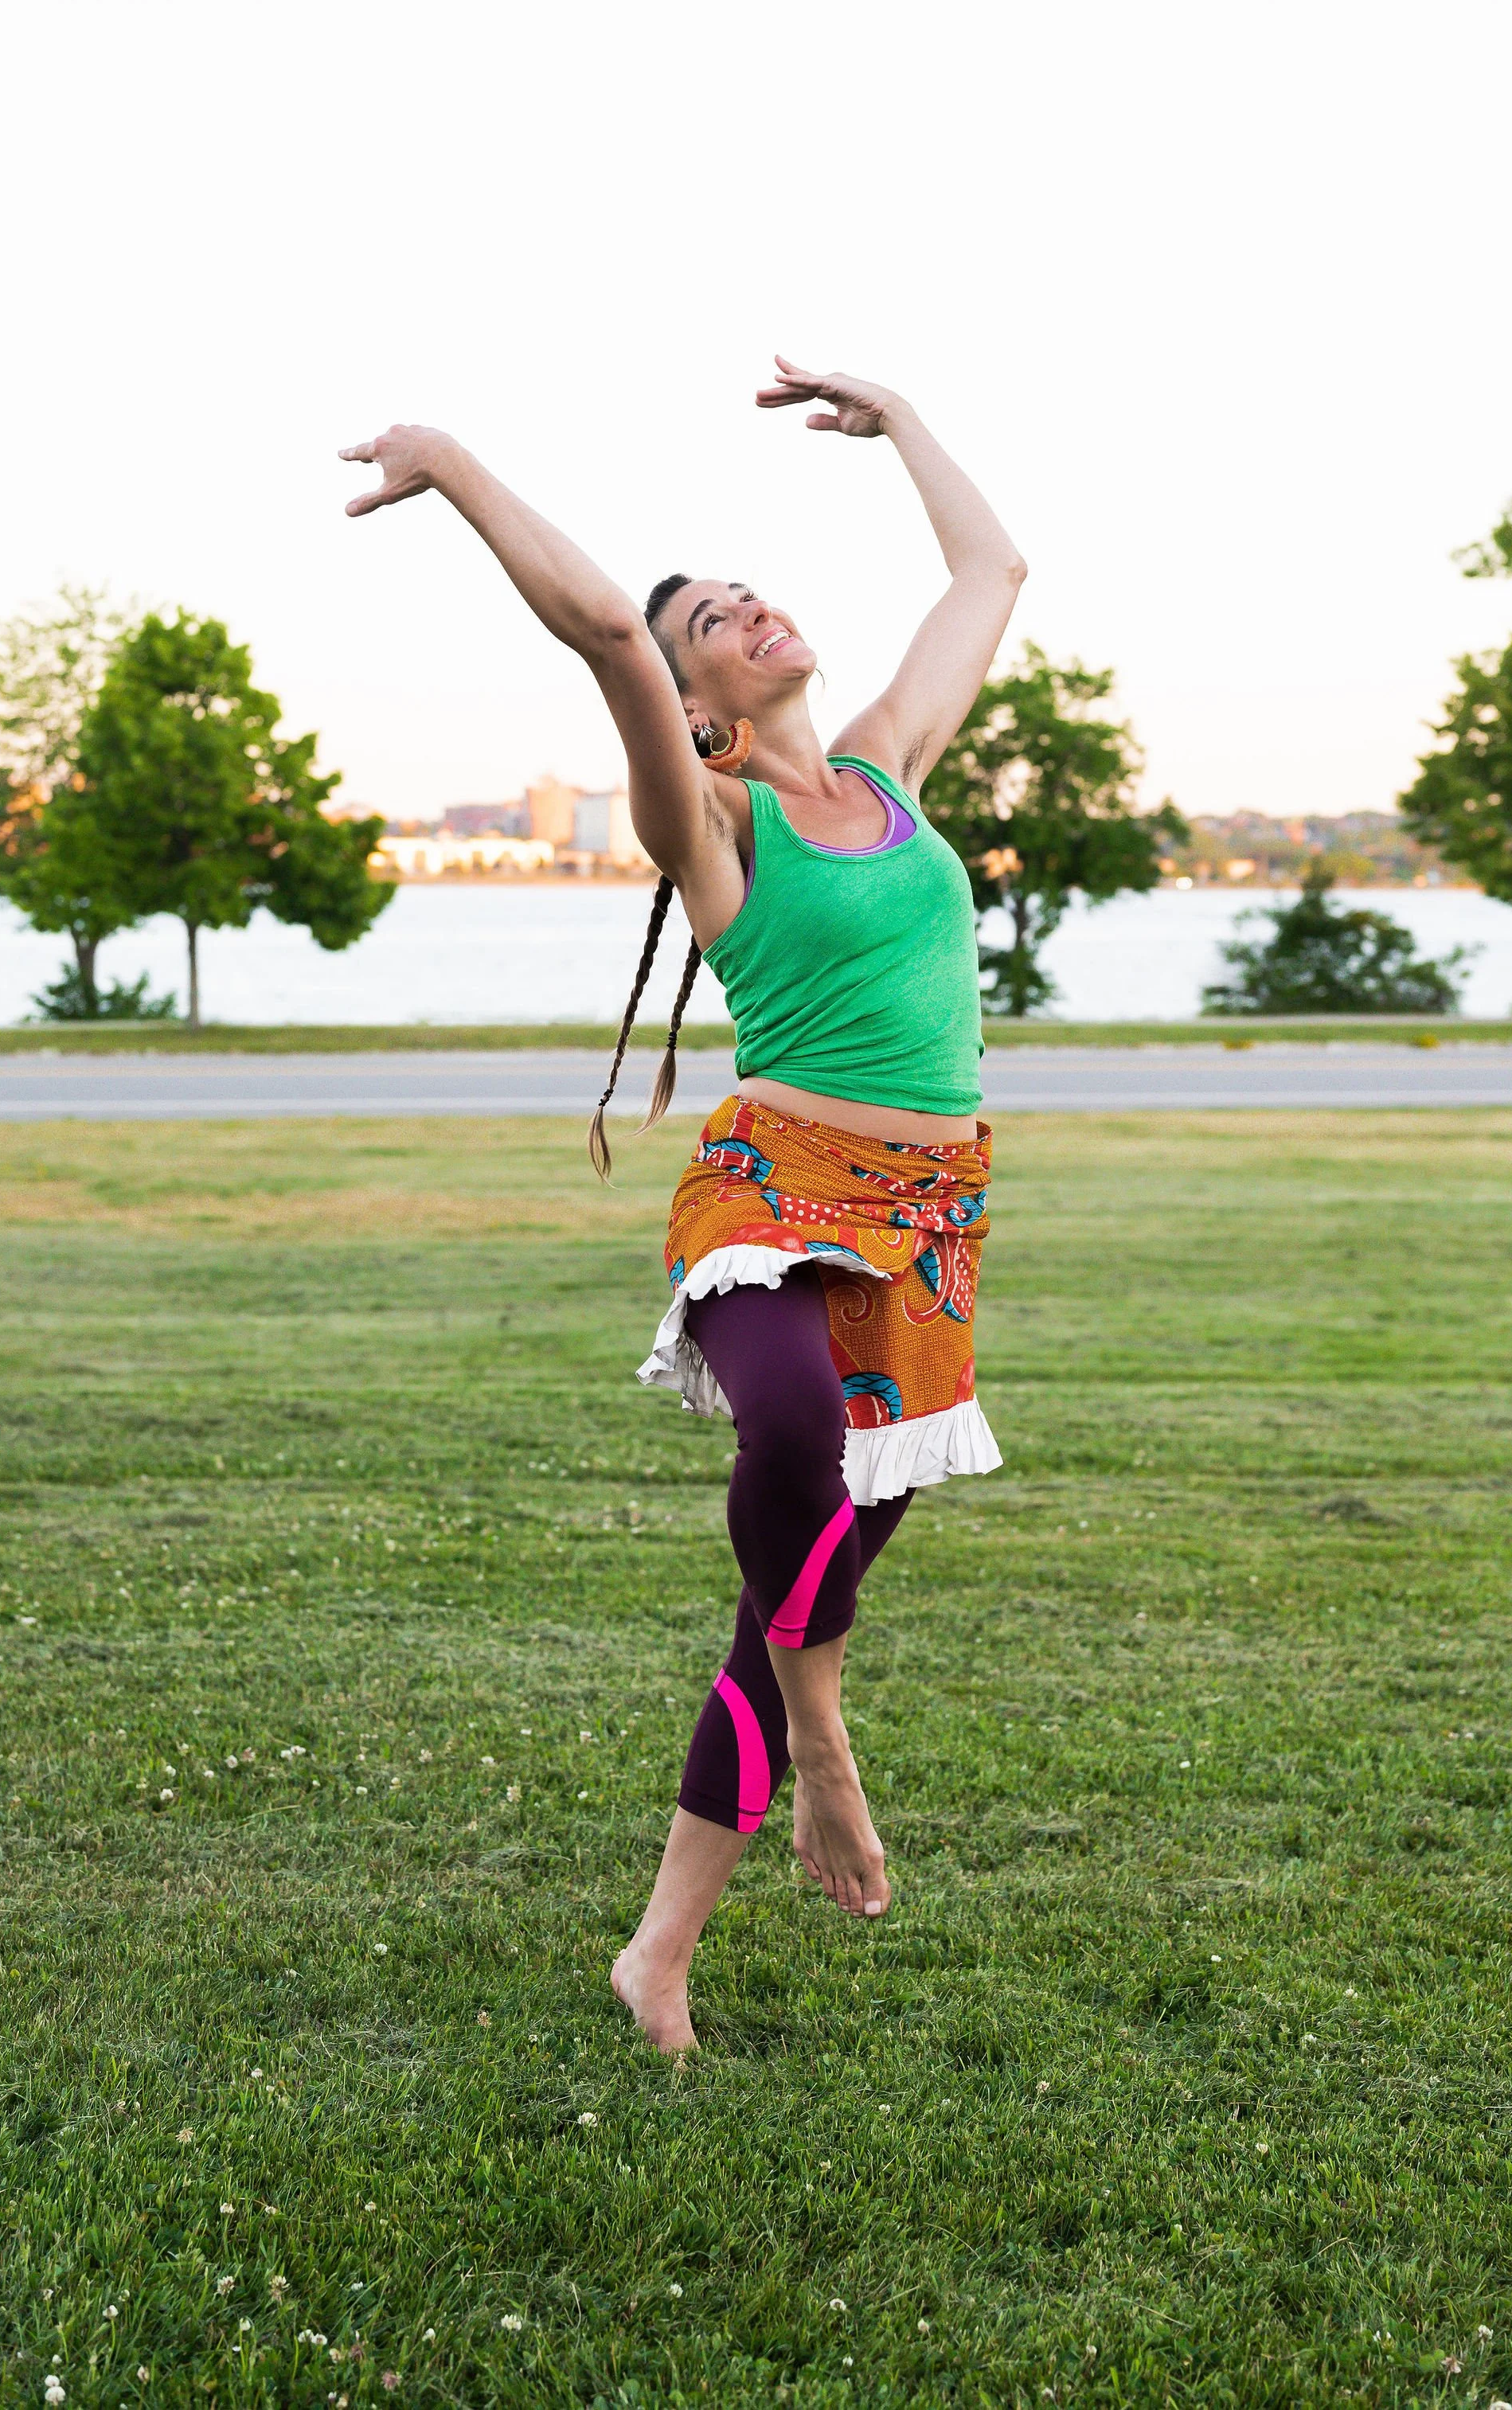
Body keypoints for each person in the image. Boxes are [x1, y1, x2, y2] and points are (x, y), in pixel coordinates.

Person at [341, 359, 1026, 2050]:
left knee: (800, 1579)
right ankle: (819, 1747)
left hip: (930, 1216)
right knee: (790, 1441)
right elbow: (596, 629)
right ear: (698, 695)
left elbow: (989, 576)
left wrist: (900, 420)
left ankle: (670, 1934)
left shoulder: (888, 769)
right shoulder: (708, 817)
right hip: (772, 1184)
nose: (749, 607)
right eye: (713, 614)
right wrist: (450, 459)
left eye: (747, 590)